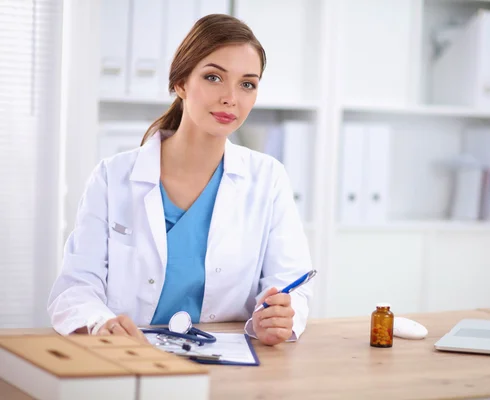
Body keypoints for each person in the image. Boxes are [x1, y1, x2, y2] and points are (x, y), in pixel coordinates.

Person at [47, 14, 313, 346]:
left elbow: (292, 284)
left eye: (248, 83)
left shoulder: (268, 179)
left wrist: (280, 317)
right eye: (214, 77)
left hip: (227, 363)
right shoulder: (112, 177)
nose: (231, 97)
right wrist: (101, 323)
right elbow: (74, 288)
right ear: (181, 83)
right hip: (129, 358)